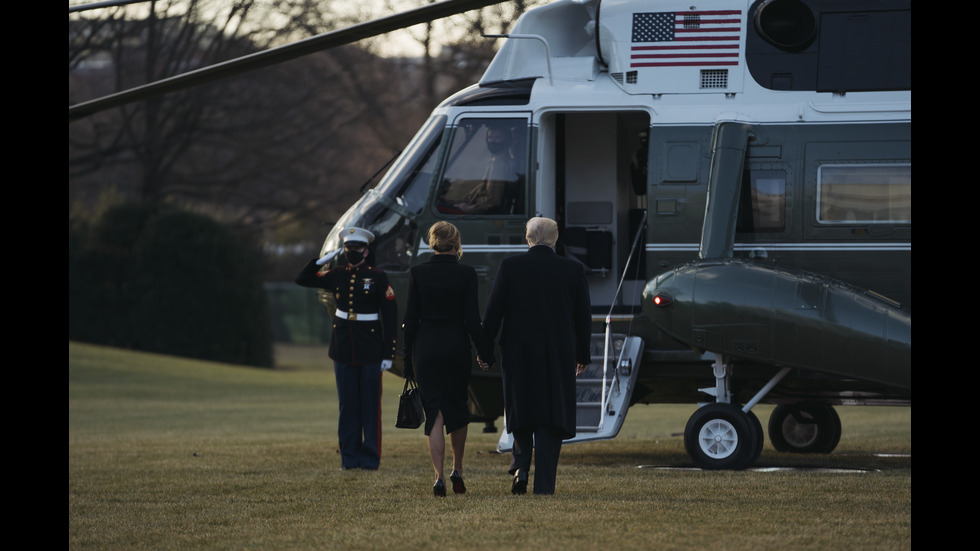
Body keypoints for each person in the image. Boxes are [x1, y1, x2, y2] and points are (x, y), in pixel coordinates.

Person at [482, 217, 592, 495]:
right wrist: (583, 354)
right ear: (555, 239)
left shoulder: (510, 266)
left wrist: (484, 351)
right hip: (558, 351)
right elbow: (583, 317)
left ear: (527, 239)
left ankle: (520, 465)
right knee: (551, 412)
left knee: (522, 407)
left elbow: (493, 312)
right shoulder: (573, 269)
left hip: (518, 349)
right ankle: (544, 484)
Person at [402, 222, 494, 496]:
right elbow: (472, 320)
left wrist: (407, 362)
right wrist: (484, 353)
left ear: (433, 242)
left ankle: (438, 476)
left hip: (426, 349)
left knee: (435, 413)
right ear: (456, 243)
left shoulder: (418, 273)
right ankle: (458, 468)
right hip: (455, 346)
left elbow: (410, 320)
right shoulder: (466, 273)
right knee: (457, 408)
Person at [295, 227, 397, 470]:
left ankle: (370, 458)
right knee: (347, 406)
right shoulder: (337, 274)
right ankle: (349, 459)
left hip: (371, 350)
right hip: (342, 348)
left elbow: (391, 317)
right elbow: (302, 279)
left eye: (357, 249)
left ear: (366, 250)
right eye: (349, 249)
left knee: (370, 406)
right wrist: (318, 262)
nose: (352, 253)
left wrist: (388, 354)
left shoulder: (378, 277)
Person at [453, 124, 519, 214]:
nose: (493, 141)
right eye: (490, 137)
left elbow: (492, 200)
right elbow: (483, 188)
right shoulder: (496, 159)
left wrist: (468, 209)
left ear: (506, 140)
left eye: (497, 138)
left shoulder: (499, 163)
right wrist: (461, 201)